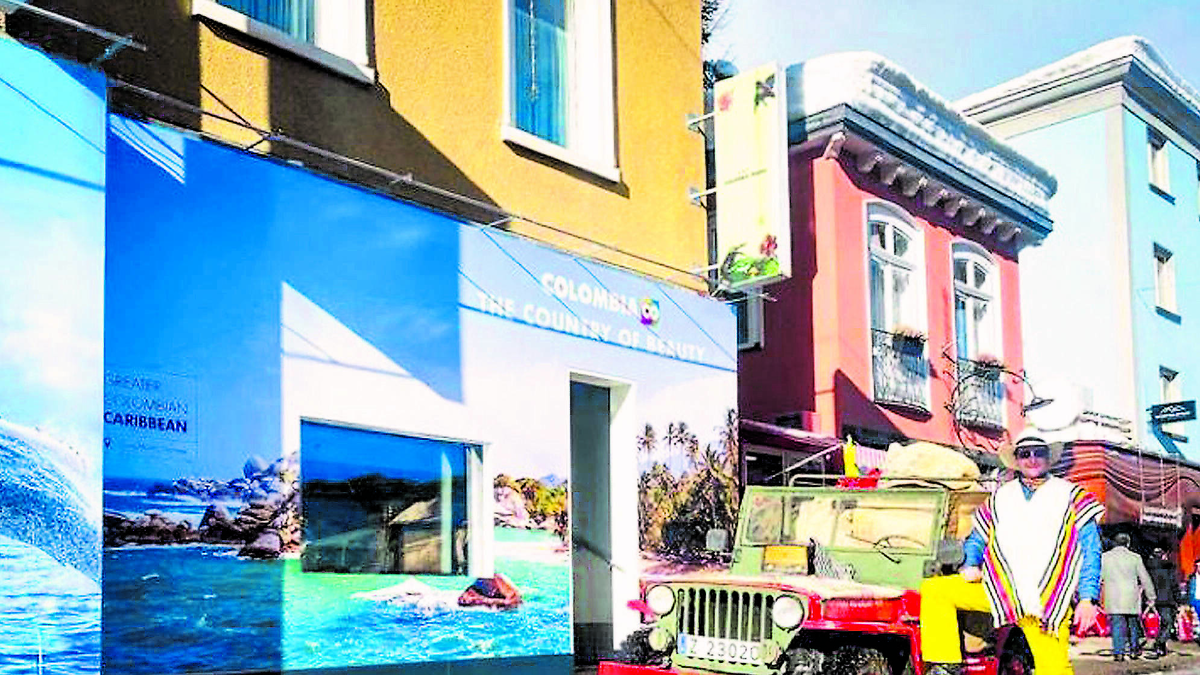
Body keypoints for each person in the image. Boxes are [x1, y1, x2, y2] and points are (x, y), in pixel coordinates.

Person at [919, 430, 1104, 675]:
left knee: (1054, 670)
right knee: (936, 590)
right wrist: (971, 563)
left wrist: (1088, 599)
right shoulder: (999, 497)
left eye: (1038, 453)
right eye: (1025, 454)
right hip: (1001, 591)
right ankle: (945, 666)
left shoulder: (1072, 495)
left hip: (1046, 600)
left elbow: (1091, 550)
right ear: (1016, 460)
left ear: (1048, 457)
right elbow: (978, 537)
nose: (1032, 459)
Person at [1101, 533, 1155, 661]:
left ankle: (1119, 652)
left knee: (1117, 625)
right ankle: (1134, 650)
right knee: (1133, 624)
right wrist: (1151, 596)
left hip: (1113, 596)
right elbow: (1144, 578)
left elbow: (1099, 577)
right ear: (1128, 543)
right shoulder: (1135, 558)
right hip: (1131, 596)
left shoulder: (1105, 557)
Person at [1147, 546, 1181, 657]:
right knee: (1168, 623)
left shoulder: (1149, 568)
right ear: (1163, 556)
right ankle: (1159, 643)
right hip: (1167, 599)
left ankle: (1161, 645)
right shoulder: (1168, 568)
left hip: (1154, 599)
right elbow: (1174, 585)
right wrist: (1179, 600)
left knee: (1164, 623)